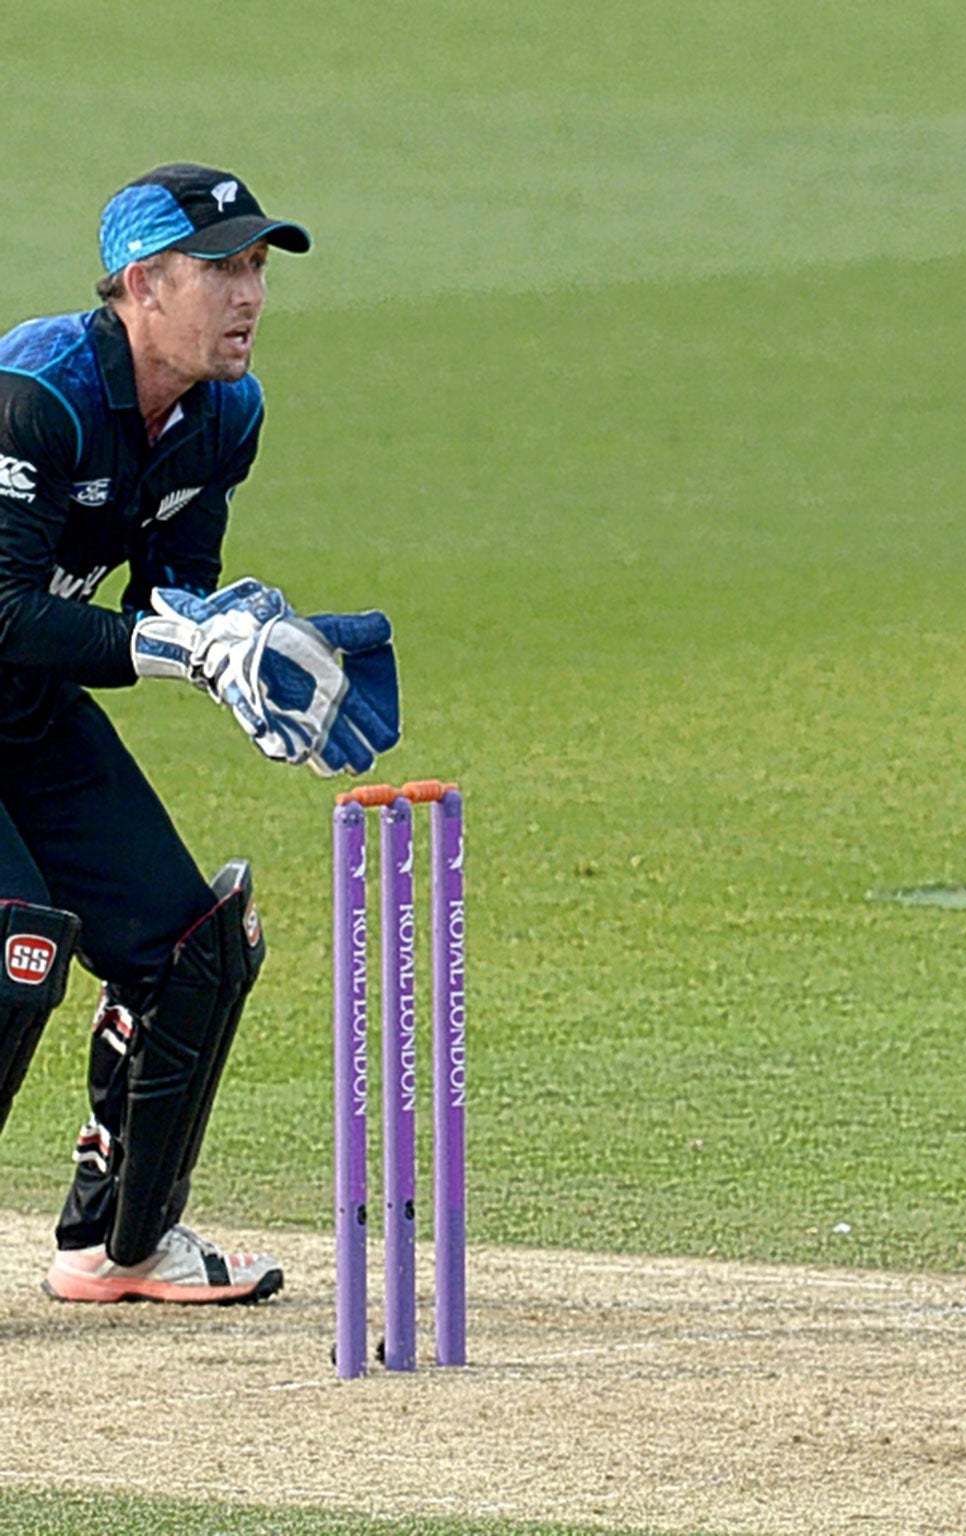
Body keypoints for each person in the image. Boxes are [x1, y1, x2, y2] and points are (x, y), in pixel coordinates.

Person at [0, 163, 398, 1304]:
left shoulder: (224, 415)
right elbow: (7, 610)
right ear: (140, 284)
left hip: (18, 699)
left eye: (258, 265)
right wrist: (174, 649)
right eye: (221, 267)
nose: (249, 293)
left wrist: (245, 651)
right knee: (12, 945)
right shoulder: (37, 395)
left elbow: (176, 594)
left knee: (192, 951)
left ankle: (117, 1247)